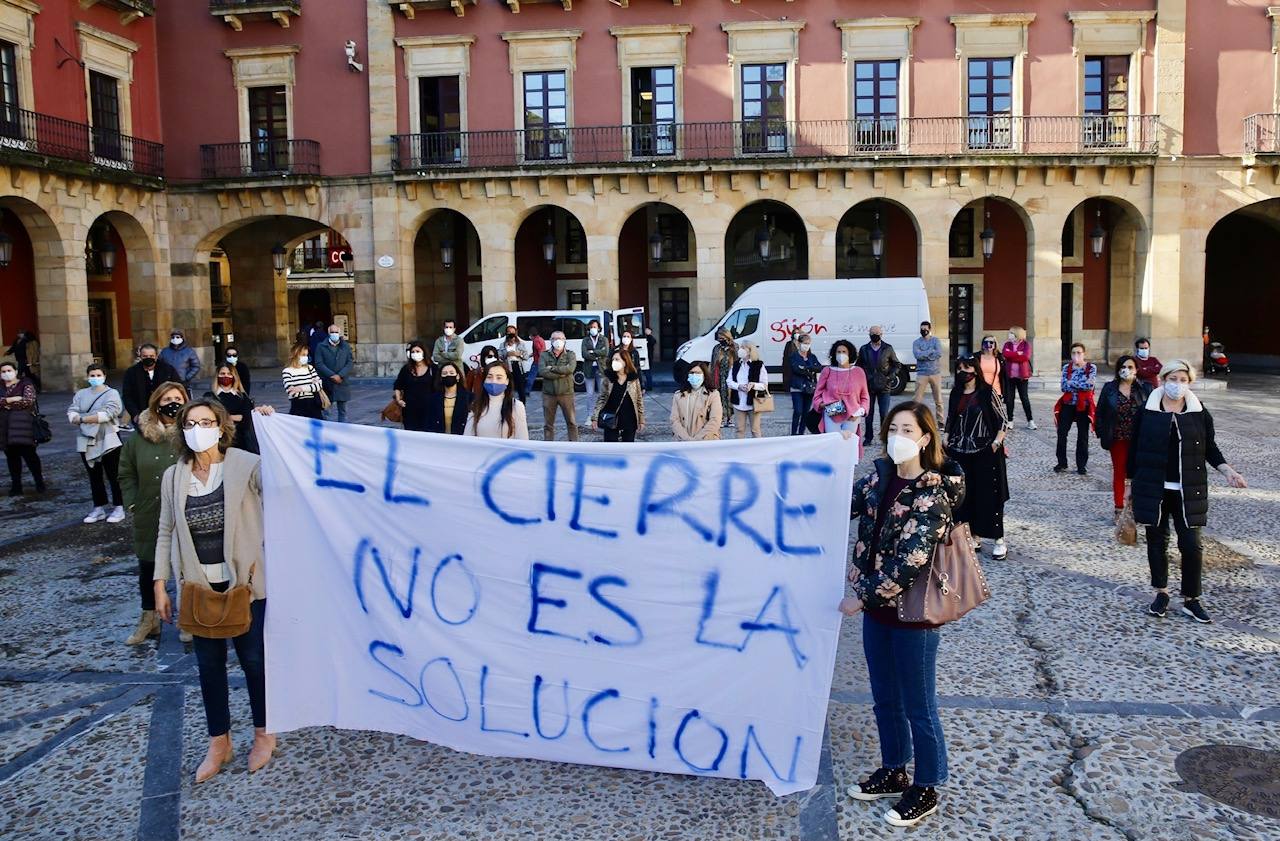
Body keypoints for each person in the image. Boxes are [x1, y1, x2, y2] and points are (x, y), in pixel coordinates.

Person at [840, 401, 964, 829]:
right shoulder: (880, 477)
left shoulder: (934, 493)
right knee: (885, 698)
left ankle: (927, 785)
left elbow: (910, 561)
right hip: (880, 614)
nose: (898, 436)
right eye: (893, 427)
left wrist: (862, 596)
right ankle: (894, 769)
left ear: (925, 439)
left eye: (907, 429)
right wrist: (834, 453)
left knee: (919, 704)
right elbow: (843, 501)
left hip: (915, 615)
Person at [153, 398, 276, 782]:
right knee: (209, 668)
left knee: (254, 662)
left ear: (221, 427)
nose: (197, 429)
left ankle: (263, 732)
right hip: (198, 588)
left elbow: (282, 481)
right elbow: (165, 531)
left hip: (245, 586)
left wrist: (271, 432)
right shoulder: (175, 476)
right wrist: (160, 582)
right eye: (190, 423)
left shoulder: (246, 464)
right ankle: (219, 742)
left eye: (205, 422)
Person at [1127, 360, 1246, 624]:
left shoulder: (1199, 411)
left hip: (1188, 489)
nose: (1177, 384)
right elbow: (1134, 450)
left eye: (1183, 379)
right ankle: (1162, 593)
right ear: (1162, 379)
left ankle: (1192, 599)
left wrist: (1227, 471)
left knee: (1192, 545)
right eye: (1173, 378)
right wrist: (1129, 485)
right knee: (1157, 543)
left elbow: (1210, 448)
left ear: (1189, 382)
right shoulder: (1147, 411)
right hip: (1154, 487)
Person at [118, 383, 187, 645]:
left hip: (183, 511)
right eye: (168, 398)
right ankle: (149, 620)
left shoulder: (191, 434)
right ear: (157, 403)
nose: (173, 403)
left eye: (178, 398)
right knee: (148, 567)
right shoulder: (138, 439)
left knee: (186, 568)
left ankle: (188, 618)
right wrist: (133, 503)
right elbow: (126, 472)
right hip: (149, 511)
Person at [945, 356, 1010, 560]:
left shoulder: (987, 392)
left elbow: (1003, 420)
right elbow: (951, 418)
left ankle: (999, 539)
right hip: (960, 451)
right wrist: (946, 438)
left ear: (975, 370)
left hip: (985, 451)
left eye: (967, 367)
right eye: (959, 368)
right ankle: (974, 535)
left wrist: (996, 443)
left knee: (990, 494)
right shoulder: (956, 393)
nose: (963, 372)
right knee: (966, 495)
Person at [1096, 354, 1152, 523]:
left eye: (1130, 367)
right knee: (1119, 472)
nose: (1126, 370)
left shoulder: (1145, 388)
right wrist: (1101, 432)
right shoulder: (1109, 388)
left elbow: (1151, 412)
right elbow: (1100, 412)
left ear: (1136, 370)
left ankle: (1134, 506)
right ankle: (1119, 508)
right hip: (1118, 437)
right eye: (1123, 367)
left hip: (1139, 439)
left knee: (1137, 474)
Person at [68, 364, 126, 524]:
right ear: (87, 377)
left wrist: (83, 418)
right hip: (85, 439)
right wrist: (84, 417)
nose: (95, 378)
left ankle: (119, 507)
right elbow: (72, 412)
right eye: (92, 375)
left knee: (114, 475)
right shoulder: (81, 394)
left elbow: (110, 413)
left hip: (108, 438)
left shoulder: (112, 393)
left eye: (98, 375)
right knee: (94, 475)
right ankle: (98, 507)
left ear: (104, 376)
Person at [813, 339, 871, 456]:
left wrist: (860, 411)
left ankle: (847, 471)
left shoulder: (859, 372)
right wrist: (822, 404)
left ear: (850, 354)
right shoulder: (827, 371)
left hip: (852, 415)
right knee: (833, 444)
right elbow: (817, 395)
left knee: (848, 446)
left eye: (844, 352)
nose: (841, 355)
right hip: (832, 412)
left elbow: (865, 396)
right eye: (838, 352)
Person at [0, 360, 44, 495]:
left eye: (9, 371)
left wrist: (5, 404)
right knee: (12, 458)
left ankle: (39, 482)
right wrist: (11, 400)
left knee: (30, 456)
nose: (7, 374)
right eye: (3, 371)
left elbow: (28, 401)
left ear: (15, 372)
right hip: (5, 427)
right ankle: (16, 485)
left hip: (23, 426)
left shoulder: (26, 384)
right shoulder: (0, 386)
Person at [1054, 342, 1096, 475]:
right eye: (1073, 353)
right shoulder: (1067, 367)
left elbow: (1089, 385)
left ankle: (1081, 465)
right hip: (1068, 404)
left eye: (1079, 353)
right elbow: (1063, 386)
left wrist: (1072, 383)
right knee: (1062, 433)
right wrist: (1079, 384)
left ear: (1084, 354)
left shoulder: (1091, 367)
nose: (1076, 355)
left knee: (1082, 436)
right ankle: (1062, 462)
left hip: (1083, 405)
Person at [857, 326, 900, 446]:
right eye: (872, 333)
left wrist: (889, 377)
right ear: (869, 334)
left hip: (884, 386)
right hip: (868, 386)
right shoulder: (864, 349)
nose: (875, 335)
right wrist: (863, 377)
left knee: (884, 413)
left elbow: (897, 364)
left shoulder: (888, 348)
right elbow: (858, 366)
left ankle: (884, 436)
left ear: (882, 334)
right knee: (868, 413)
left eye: (877, 333)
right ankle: (868, 437)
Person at [591, 348, 645, 442]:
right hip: (610, 418)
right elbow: (602, 399)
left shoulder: (633, 379)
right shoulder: (608, 378)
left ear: (625, 362)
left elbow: (639, 400)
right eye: (613, 360)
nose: (614, 362)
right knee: (611, 448)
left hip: (629, 419)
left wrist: (641, 419)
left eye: (617, 359)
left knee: (628, 448)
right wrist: (595, 418)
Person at [464, 361, 529, 439]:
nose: (494, 381)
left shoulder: (516, 406)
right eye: (489, 377)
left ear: (507, 381)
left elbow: (523, 439)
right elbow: (467, 437)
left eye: (499, 377)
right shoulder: (476, 405)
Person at [122, 343, 180, 422]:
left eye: (151, 356)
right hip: (141, 415)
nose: (148, 358)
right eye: (145, 356)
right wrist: (135, 414)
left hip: (165, 414)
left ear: (156, 356)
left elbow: (178, 389)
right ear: (140, 356)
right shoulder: (131, 372)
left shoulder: (168, 370)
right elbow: (127, 395)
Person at [539, 331, 578, 441]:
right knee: (548, 424)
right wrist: (562, 374)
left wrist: (552, 368)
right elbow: (542, 371)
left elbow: (570, 369)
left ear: (565, 340)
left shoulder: (570, 354)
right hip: (549, 394)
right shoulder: (544, 354)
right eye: (555, 338)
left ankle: (574, 445)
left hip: (566, 393)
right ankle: (549, 445)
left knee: (571, 422)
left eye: (560, 338)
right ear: (551, 340)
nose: (558, 341)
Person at [208, 366, 257, 453]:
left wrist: (222, 417)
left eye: (229, 374)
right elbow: (209, 417)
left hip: (240, 440)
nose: (225, 376)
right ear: (217, 376)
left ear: (234, 376)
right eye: (222, 374)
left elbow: (246, 419)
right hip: (216, 441)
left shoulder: (242, 397)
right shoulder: (209, 396)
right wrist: (234, 417)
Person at [670, 362, 723, 441]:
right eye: (692, 373)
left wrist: (697, 439)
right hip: (683, 441)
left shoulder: (713, 394)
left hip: (706, 440)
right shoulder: (678, 395)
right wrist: (686, 438)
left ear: (704, 375)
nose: (694, 375)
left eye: (698, 373)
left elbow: (715, 420)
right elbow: (674, 420)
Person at [727, 341, 769, 439]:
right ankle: (739, 451)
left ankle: (759, 451)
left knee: (755, 430)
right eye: (741, 347)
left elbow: (764, 385)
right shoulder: (736, 364)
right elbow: (729, 381)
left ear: (750, 351)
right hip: (738, 402)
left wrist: (753, 385)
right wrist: (738, 386)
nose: (740, 349)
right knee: (739, 430)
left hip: (754, 402)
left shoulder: (759, 365)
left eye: (744, 347)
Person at [314, 324, 354, 423]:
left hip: (342, 382)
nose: (334, 334)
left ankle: (343, 432)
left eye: (336, 332)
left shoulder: (345, 346)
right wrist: (332, 375)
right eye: (332, 332)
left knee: (343, 411)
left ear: (339, 333)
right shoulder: (321, 346)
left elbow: (350, 362)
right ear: (328, 333)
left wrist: (340, 375)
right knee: (326, 411)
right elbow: (319, 363)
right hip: (327, 383)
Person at [393, 341, 436, 432]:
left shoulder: (433, 368)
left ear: (424, 352)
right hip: (409, 410)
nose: (415, 354)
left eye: (418, 351)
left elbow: (439, 387)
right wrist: (399, 400)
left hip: (428, 409)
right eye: (413, 352)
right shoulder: (406, 369)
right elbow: (398, 385)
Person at [1001, 327, 1035, 430]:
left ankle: (1030, 421)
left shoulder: (1026, 345)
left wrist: (1013, 356)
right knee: (1009, 399)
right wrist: (1018, 354)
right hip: (1010, 376)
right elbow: (1005, 354)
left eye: (1011, 333)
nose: (1009, 335)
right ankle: (1010, 420)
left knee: (1024, 398)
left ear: (1017, 334)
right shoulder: (1007, 344)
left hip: (1022, 376)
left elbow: (1025, 357)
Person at [788, 332, 822, 436]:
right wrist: (810, 369)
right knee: (798, 411)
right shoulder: (794, 356)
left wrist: (806, 368)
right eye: (805, 343)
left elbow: (819, 367)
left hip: (809, 388)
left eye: (808, 343)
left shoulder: (812, 356)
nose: (806, 345)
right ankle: (793, 433)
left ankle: (801, 433)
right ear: (799, 343)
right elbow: (796, 369)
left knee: (805, 412)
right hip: (797, 388)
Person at [912, 322, 945, 425]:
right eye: (922, 329)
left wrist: (924, 354)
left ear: (929, 329)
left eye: (925, 329)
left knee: (938, 400)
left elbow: (939, 353)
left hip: (935, 373)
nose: (923, 331)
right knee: (917, 400)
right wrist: (930, 351)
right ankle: (915, 420)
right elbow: (917, 355)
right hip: (922, 373)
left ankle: (940, 422)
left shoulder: (936, 340)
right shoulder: (916, 342)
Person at [425, 362, 471, 435]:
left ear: (458, 376)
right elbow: (429, 423)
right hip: (440, 441)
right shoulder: (433, 399)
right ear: (440, 377)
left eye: (451, 373)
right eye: (445, 373)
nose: (448, 375)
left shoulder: (469, 398)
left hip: (461, 440)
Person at [281, 344, 324, 419]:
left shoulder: (310, 368)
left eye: (306, 355)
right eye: (303, 355)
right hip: (298, 405)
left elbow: (319, 385)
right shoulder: (287, 371)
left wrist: (301, 388)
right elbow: (291, 391)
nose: (305, 357)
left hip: (313, 405)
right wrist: (311, 386)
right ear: (296, 355)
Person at [710, 328, 736, 428]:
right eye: (719, 338)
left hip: (731, 376)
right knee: (719, 397)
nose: (720, 340)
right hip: (719, 376)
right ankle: (721, 418)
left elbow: (737, 361)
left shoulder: (734, 348)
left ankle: (730, 418)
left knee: (730, 397)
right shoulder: (716, 348)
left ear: (727, 337)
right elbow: (713, 364)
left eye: (722, 338)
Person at [580, 320, 608, 403]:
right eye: (591, 327)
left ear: (598, 328)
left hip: (601, 368)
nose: (593, 329)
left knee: (602, 393)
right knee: (589, 394)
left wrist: (592, 351)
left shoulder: (604, 339)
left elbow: (605, 352)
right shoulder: (585, 340)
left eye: (595, 327)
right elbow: (584, 354)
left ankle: (600, 413)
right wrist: (598, 356)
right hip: (589, 369)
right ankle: (590, 415)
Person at [500, 327, 529, 402]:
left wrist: (518, 354)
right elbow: (500, 357)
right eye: (509, 332)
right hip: (508, 367)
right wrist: (507, 354)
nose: (511, 334)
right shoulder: (503, 345)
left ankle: (522, 405)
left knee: (521, 388)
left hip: (518, 366)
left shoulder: (520, 344)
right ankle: (508, 405)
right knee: (508, 388)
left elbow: (526, 356)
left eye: (513, 333)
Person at [976, 335, 1006, 400]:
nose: (989, 344)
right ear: (982, 344)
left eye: (991, 342)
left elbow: (1004, 376)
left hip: (996, 392)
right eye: (986, 342)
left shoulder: (1000, 358)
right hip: (980, 391)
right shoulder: (977, 357)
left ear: (995, 344)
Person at [528, 327, 545, 394]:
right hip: (541, 360)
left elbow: (539, 351)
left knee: (531, 377)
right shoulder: (541, 339)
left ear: (532, 334)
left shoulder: (536, 341)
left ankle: (527, 391)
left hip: (537, 361)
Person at [643, 326, 658, 391]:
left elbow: (653, 342)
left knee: (647, 372)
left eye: (648, 330)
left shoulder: (651, 338)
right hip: (645, 356)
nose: (646, 331)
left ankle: (649, 386)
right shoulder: (644, 337)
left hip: (648, 357)